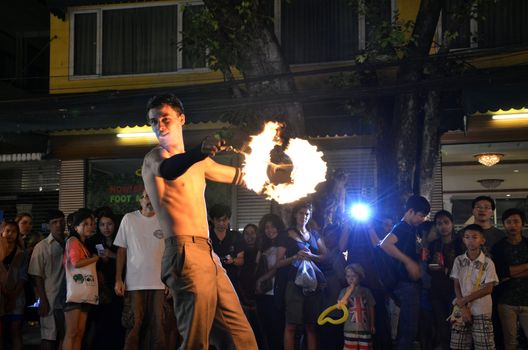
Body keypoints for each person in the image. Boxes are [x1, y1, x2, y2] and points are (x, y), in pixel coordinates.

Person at [141, 93, 258, 350]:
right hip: (183, 253)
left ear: (181, 119)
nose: (159, 126)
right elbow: (170, 170)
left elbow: (240, 176)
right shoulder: (154, 158)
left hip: (208, 255)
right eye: (153, 121)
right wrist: (197, 152)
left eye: (165, 119)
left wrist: (275, 174)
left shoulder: (200, 162)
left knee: (242, 339)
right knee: (196, 342)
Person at [114, 190, 167, 350]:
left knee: (159, 327)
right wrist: (118, 278)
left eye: (152, 196)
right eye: (146, 196)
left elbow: (171, 252)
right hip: (134, 283)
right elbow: (121, 250)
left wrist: (170, 281)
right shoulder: (129, 219)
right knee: (134, 325)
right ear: (140, 200)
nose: (149, 200)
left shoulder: (164, 220)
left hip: (160, 283)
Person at [380, 194, 430, 350]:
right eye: (421, 215)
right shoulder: (402, 227)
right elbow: (385, 244)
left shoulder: (412, 229)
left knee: (408, 327)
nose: (422, 219)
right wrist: (408, 262)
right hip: (405, 284)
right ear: (410, 211)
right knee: (409, 328)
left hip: (410, 284)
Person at [282, 201, 327, 350]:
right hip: (294, 282)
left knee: (311, 325)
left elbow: (325, 256)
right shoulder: (287, 234)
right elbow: (277, 263)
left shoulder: (314, 234)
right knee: (291, 325)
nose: (304, 216)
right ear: (295, 214)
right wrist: (295, 257)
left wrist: (311, 256)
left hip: (312, 283)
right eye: (301, 213)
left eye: (307, 214)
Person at [450, 224, 498, 350]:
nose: (470, 240)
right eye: (467, 237)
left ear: (482, 240)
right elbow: (456, 285)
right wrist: (463, 308)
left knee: (484, 346)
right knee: (458, 346)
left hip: (481, 310)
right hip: (461, 310)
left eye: (474, 237)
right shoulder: (458, 260)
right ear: (463, 240)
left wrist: (464, 301)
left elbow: (488, 288)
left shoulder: (488, 263)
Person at [84, 209, 124, 350]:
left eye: (109, 224)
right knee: (99, 322)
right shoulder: (92, 241)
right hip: (99, 288)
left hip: (119, 286)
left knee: (117, 321)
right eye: (102, 224)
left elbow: (131, 261)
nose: (106, 228)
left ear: (115, 224)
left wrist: (112, 255)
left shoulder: (122, 240)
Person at [28, 210, 67, 350]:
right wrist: (42, 299)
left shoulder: (69, 242)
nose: (59, 225)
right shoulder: (41, 246)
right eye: (54, 222)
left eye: (61, 221)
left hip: (67, 298)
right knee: (49, 337)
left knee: (65, 335)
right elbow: (36, 275)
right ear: (49, 225)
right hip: (50, 297)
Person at [427, 210, 465, 350]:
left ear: (452, 224)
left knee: (456, 324)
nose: (443, 226)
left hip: (456, 290)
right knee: (441, 324)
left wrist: (449, 268)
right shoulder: (433, 245)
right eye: (439, 223)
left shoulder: (460, 243)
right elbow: (427, 266)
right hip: (437, 289)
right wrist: (432, 267)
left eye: (446, 222)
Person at [491, 208, 528, 350]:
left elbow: (507, 272)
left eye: (516, 222)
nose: (512, 225)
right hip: (505, 300)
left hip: (527, 298)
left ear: (523, 224)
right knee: (510, 342)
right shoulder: (498, 247)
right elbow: (500, 273)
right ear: (504, 225)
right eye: (508, 222)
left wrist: (510, 272)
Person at [63, 209, 99, 350]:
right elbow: (76, 262)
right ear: (76, 227)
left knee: (79, 333)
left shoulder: (84, 244)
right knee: (72, 333)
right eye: (85, 224)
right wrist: (94, 259)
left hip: (82, 293)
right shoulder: (73, 241)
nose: (90, 227)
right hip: (73, 294)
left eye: (91, 224)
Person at [255, 214, 289, 350]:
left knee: (277, 330)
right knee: (267, 330)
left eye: (273, 226)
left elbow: (277, 267)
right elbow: (257, 265)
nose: (270, 230)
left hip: (277, 293)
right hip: (263, 293)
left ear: (278, 227)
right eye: (266, 228)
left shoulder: (284, 244)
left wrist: (261, 279)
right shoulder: (264, 245)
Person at [0, 221, 28, 350]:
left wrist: (12, 297)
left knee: (15, 331)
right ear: (2, 232)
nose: (10, 234)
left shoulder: (21, 254)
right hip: (1, 296)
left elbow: (23, 277)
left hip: (17, 297)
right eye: (8, 231)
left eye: (14, 232)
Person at [337, 263, 376, 350]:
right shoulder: (343, 292)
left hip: (364, 328)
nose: (351, 279)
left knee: (366, 347)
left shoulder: (366, 291)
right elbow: (341, 305)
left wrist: (372, 324)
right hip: (349, 328)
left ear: (360, 277)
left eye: (354, 276)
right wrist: (350, 290)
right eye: (348, 276)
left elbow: (371, 307)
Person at [209, 204, 245, 291]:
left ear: (228, 219)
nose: (221, 223)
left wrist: (232, 260)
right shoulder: (206, 236)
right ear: (213, 220)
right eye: (218, 220)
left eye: (224, 220)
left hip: (230, 280)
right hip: (210, 280)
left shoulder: (235, 236)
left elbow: (241, 260)